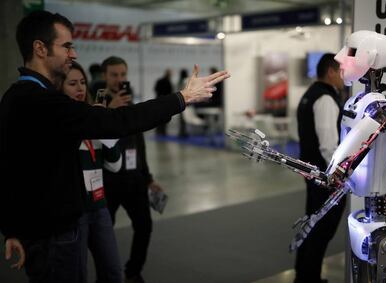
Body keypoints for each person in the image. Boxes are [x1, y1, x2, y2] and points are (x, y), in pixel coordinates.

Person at [0, 10, 229, 283]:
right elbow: (118, 121)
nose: (72, 54)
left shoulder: (16, 97)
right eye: (66, 46)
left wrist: (12, 228)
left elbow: (9, 168)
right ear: (40, 48)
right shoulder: (40, 101)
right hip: (54, 235)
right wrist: (182, 97)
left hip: (44, 230)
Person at [100, 56, 163, 283]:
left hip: (135, 179)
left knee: (144, 226)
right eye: (114, 75)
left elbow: (139, 142)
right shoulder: (97, 103)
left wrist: (148, 178)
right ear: (104, 76)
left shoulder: (131, 102)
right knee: (104, 234)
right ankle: (107, 276)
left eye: (122, 75)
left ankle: (133, 271)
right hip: (108, 180)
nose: (119, 79)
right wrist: (110, 109)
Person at [61, 61, 123, 283]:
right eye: (72, 83)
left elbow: (115, 165)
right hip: (73, 213)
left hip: (99, 207)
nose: (79, 88)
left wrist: (104, 124)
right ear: (60, 87)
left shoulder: (93, 116)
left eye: (83, 83)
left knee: (114, 272)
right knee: (77, 275)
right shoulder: (59, 122)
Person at [294, 53, 346, 283]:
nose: (345, 77)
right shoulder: (325, 99)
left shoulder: (309, 94)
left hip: (311, 170)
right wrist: (337, 176)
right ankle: (309, 278)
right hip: (324, 176)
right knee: (321, 228)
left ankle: (304, 274)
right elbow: (328, 144)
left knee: (312, 222)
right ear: (331, 71)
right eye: (342, 71)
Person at [154, 69, 173, 136]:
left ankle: (159, 131)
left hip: (158, 101)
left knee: (158, 117)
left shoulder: (159, 81)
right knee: (164, 117)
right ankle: (163, 131)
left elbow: (155, 89)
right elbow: (170, 92)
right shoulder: (168, 82)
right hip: (165, 102)